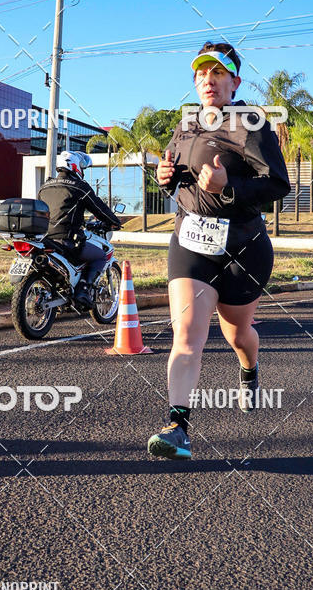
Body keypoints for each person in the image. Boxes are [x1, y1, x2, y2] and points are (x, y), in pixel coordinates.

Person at [147, 42, 291, 460]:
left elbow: (278, 184)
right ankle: (177, 428)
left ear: (235, 82)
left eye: (217, 73)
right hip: (191, 242)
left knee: (237, 334)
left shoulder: (251, 123)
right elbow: (176, 177)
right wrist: (164, 177)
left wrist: (229, 185)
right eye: (200, 74)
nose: (207, 80)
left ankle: (249, 370)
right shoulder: (186, 122)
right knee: (187, 336)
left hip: (243, 247)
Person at [38, 151, 121, 309]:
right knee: (100, 256)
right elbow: (99, 209)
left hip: (45, 240)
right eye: (81, 167)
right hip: (67, 240)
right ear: (74, 166)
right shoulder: (80, 187)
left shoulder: (45, 187)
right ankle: (82, 291)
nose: (82, 170)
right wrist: (114, 222)